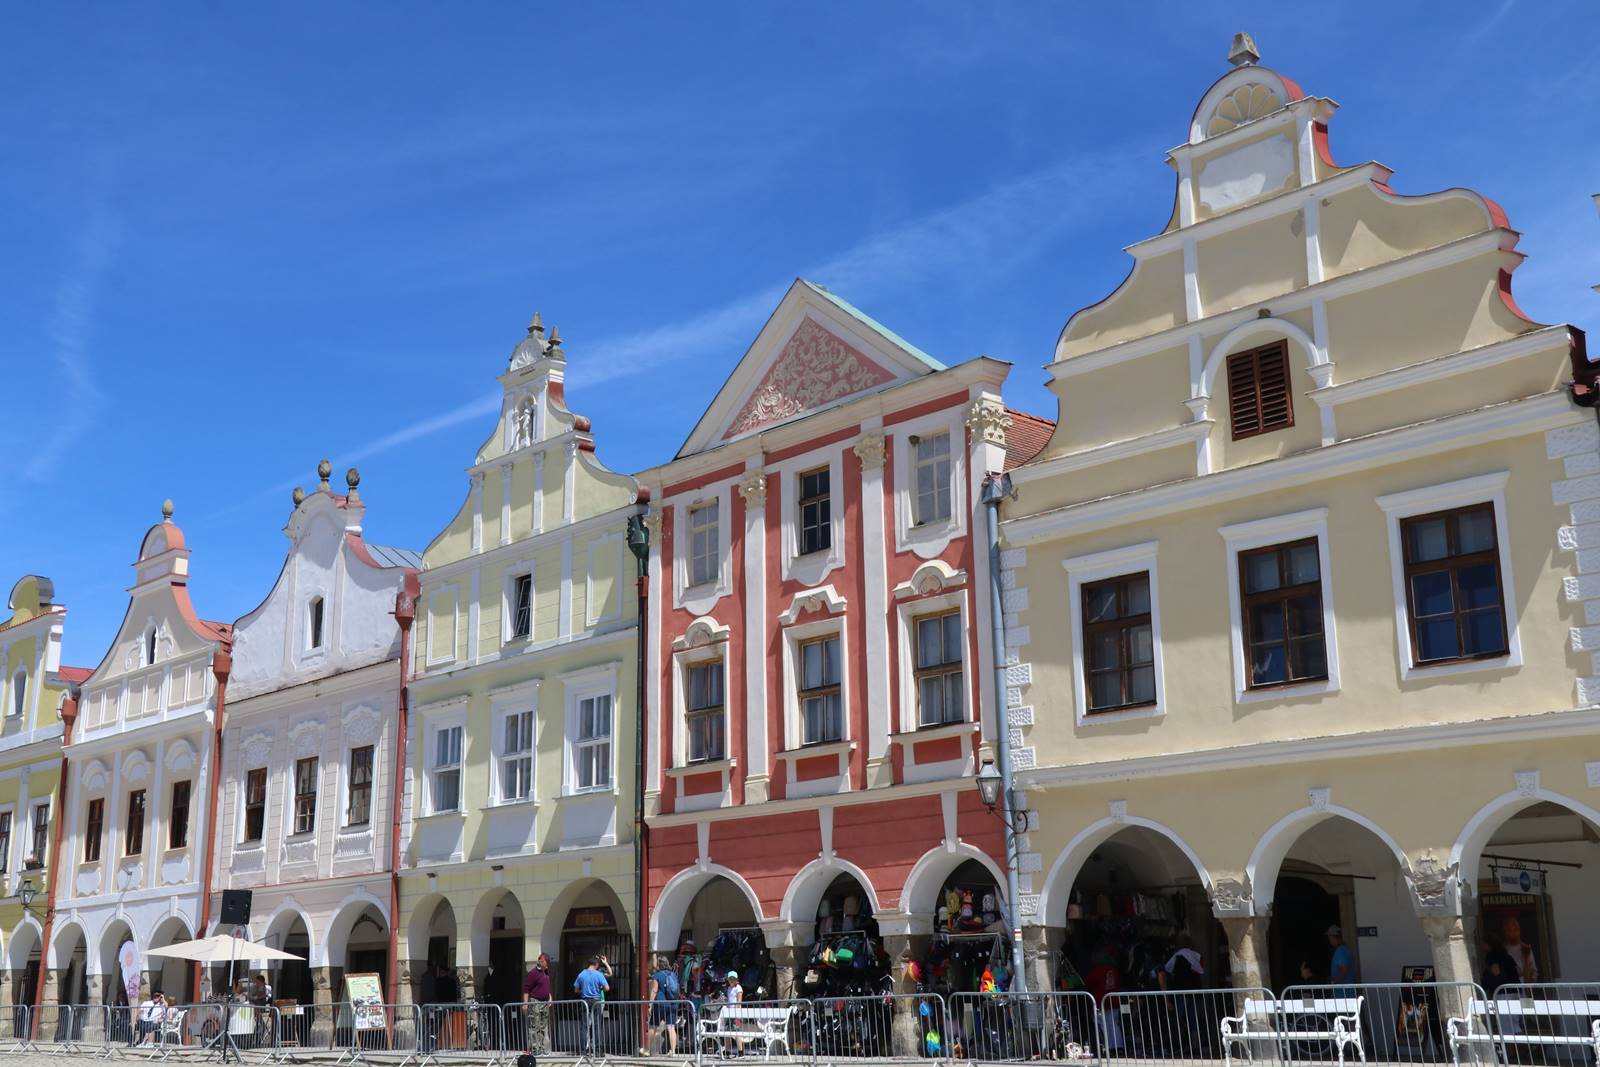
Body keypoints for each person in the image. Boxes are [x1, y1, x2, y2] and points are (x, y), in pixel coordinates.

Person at [574, 956, 611, 1054]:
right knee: (597, 1026)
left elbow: (576, 989)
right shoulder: (599, 974)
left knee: (584, 1026)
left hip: (585, 1001)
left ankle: (583, 1051)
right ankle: (598, 1050)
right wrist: (599, 989)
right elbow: (607, 988)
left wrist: (584, 990)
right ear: (596, 965)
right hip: (596, 1001)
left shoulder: (581, 974)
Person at [646, 955, 681, 1055]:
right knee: (671, 1027)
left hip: (660, 1004)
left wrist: (650, 1005)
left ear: (659, 964)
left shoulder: (657, 975)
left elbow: (654, 991)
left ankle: (647, 1050)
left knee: (653, 1026)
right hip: (672, 1004)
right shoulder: (673, 974)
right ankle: (673, 1052)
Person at [521, 953, 552, 1055]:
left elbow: (547, 987)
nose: (548, 964)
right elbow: (526, 989)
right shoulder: (533, 973)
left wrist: (550, 997)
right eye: (547, 962)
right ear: (541, 961)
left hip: (544, 1002)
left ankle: (543, 1047)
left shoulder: (546, 972)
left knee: (544, 1025)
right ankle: (535, 1048)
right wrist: (525, 1004)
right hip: (535, 1001)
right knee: (535, 1025)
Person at [1500, 916, 1539, 984]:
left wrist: (1531, 980)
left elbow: (1533, 970)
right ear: (1505, 932)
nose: (1512, 933)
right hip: (1509, 988)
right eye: (1509, 930)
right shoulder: (1502, 950)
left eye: (1515, 929)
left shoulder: (1525, 948)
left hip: (1524, 987)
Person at [1327, 926, 1355, 995]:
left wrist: (1332, 983)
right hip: (1345, 993)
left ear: (1334, 937)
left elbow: (1343, 971)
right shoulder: (1345, 949)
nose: (1329, 940)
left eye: (1329, 937)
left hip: (1343, 994)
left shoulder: (1341, 951)